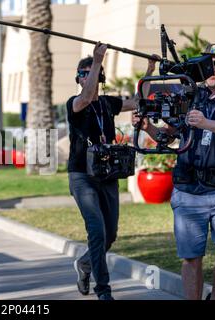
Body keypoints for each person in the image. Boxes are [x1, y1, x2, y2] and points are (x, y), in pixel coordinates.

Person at [133, 43, 215, 300]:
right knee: (191, 257)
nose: (212, 69)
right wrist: (147, 128)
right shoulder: (189, 94)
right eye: (207, 63)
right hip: (188, 188)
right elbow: (168, 136)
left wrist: (207, 123)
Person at [67, 43, 158, 300]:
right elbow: (85, 98)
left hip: (106, 175)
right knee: (96, 231)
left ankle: (85, 264)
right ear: (79, 78)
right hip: (82, 177)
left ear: (101, 77)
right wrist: (96, 61)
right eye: (84, 74)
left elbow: (138, 100)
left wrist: (150, 70)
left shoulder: (108, 103)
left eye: (93, 73)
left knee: (110, 235)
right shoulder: (74, 103)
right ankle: (103, 290)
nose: (89, 77)